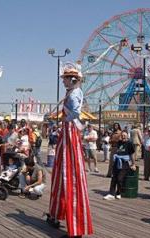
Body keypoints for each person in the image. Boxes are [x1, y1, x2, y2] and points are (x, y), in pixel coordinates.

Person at [47, 62, 93, 237]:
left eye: (65, 79)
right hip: (68, 134)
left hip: (70, 132)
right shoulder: (73, 92)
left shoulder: (74, 94)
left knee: (70, 176)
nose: (63, 81)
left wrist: (65, 116)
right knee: (62, 173)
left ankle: (76, 229)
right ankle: (56, 214)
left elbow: (75, 114)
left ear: (72, 79)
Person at [103, 131, 136, 200]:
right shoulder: (119, 142)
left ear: (127, 136)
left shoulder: (129, 143)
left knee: (119, 178)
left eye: (125, 135)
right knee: (113, 178)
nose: (123, 136)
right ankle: (111, 194)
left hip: (124, 163)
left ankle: (118, 192)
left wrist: (133, 164)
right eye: (122, 135)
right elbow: (116, 149)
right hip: (117, 161)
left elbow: (132, 154)